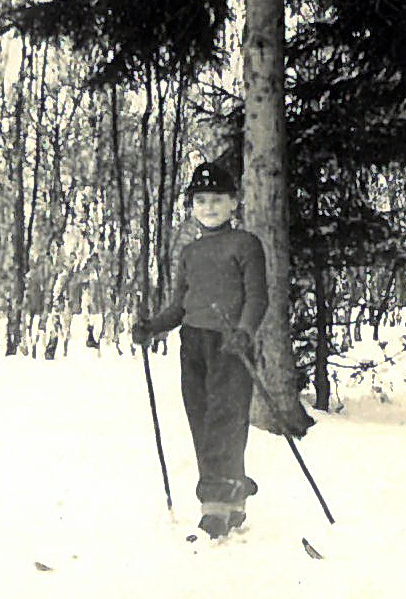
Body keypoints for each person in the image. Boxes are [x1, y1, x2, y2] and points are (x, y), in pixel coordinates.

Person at [133, 161, 266, 540]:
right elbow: (180, 305)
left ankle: (215, 506)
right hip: (193, 343)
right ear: (191, 206)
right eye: (201, 200)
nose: (209, 207)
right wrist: (153, 326)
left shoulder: (245, 244)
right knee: (202, 421)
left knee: (226, 420)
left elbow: (258, 297)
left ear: (233, 203)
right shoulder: (190, 252)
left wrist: (244, 332)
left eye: (217, 199)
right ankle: (234, 492)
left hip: (231, 345)